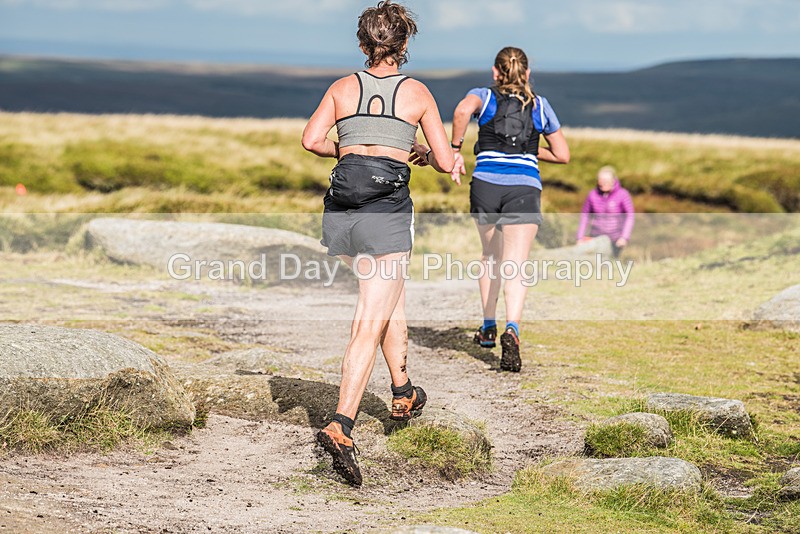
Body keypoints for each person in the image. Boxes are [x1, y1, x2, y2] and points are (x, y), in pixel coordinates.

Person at [301, 1, 459, 487]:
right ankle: (341, 424)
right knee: (369, 318)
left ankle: (403, 390)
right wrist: (430, 156)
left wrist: (349, 148)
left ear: (363, 43)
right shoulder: (417, 93)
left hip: (343, 209)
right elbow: (444, 156)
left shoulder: (342, 87)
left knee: (387, 299)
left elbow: (311, 140)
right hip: (386, 210)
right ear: (404, 43)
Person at [449, 47, 569, 372]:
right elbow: (562, 154)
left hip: (486, 184)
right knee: (516, 264)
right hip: (524, 187)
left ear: (495, 72)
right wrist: (530, 148)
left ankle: (488, 327)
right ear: (528, 73)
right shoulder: (541, 106)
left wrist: (455, 149)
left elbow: (461, 111)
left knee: (490, 256)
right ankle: (511, 328)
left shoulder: (482, 96)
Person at [576, 166, 635, 257]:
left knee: (612, 263)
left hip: (616, 240)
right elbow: (585, 216)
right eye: (601, 181)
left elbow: (630, 216)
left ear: (613, 180)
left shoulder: (623, 195)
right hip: (596, 237)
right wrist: (580, 237)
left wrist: (624, 237)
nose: (602, 184)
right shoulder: (592, 195)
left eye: (606, 181)